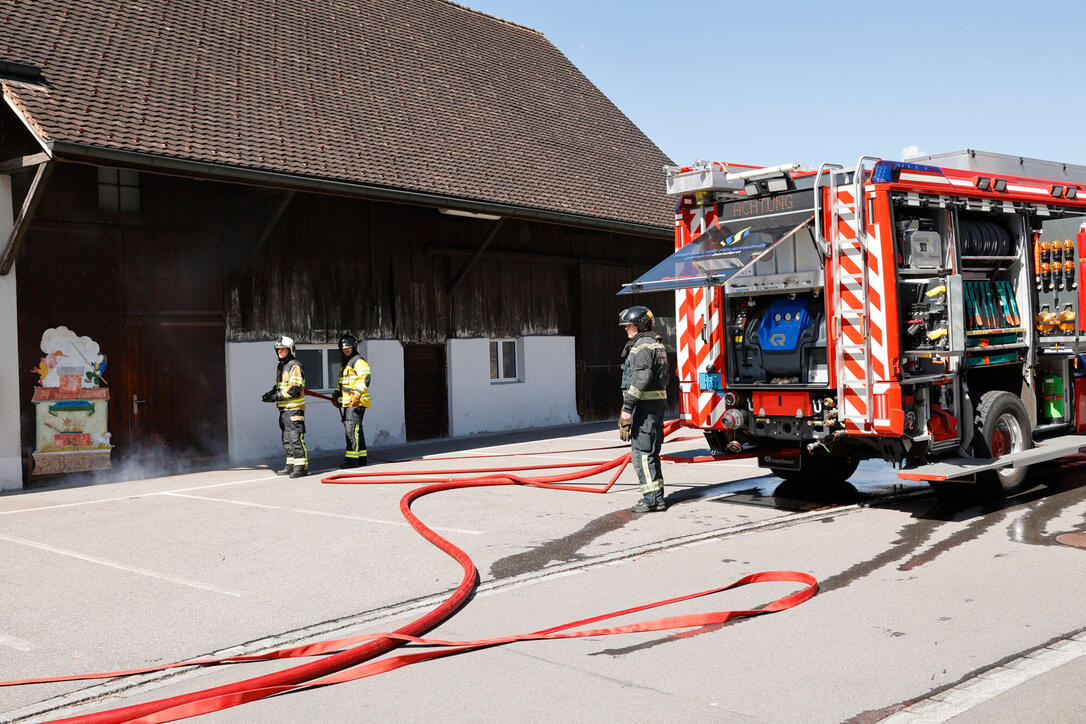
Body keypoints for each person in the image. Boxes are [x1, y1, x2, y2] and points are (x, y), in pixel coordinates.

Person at [618, 306, 670, 513]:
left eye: (629, 325)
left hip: (644, 410)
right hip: (654, 408)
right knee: (651, 454)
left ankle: (651, 501)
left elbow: (642, 378)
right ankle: (657, 498)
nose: (626, 329)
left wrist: (627, 407)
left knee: (642, 455)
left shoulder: (642, 347)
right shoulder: (656, 344)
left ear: (640, 325)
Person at [261, 336, 308, 478]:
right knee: (286, 439)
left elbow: (294, 389)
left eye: (283, 349)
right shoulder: (281, 366)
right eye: (278, 349)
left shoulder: (294, 365)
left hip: (294, 408)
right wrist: (271, 394)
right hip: (283, 409)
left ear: (290, 350)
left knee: (295, 438)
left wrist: (277, 397)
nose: (280, 351)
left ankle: (301, 467)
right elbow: (281, 386)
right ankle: (290, 465)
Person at [333, 333, 371, 468]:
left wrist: (357, 395)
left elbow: (365, 378)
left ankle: (352, 460)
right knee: (356, 430)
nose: (346, 350)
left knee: (351, 430)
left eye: (348, 348)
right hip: (348, 402)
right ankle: (361, 458)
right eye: (344, 348)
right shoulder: (345, 364)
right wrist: (336, 394)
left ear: (354, 347)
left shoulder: (358, 361)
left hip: (356, 402)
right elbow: (342, 383)